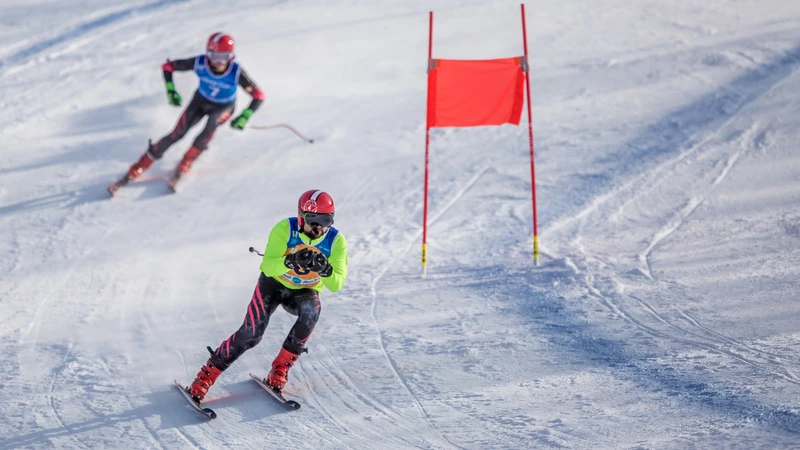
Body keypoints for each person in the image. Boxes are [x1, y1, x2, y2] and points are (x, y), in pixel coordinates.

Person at [185, 190, 348, 402]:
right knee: (252, 333)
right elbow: (268, 266)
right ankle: (206, 376)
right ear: (301, 217)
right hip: (272, 285)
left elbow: (336, 284)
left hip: (303, 292)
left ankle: (279, 370)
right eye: (313, 221)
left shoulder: (336, 241)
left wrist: (325, 270)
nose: (319, 228)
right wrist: (290, 261)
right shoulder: (285, 229)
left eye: (326, 221)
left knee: (312, 311)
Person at [108, 32, 265, 194]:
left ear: (231, 57)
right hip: (200, 101)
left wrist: (245, 116)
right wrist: (171, 91)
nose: (218, 62)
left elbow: (258, 95)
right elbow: (168, 67)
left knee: (210, 127)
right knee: (177, 134)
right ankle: (140, 165)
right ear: (207, 54)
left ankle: (187, 161)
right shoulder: (200, 63)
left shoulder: (236, 72)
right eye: (214, 56)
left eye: (224, 57)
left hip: (223, 107)